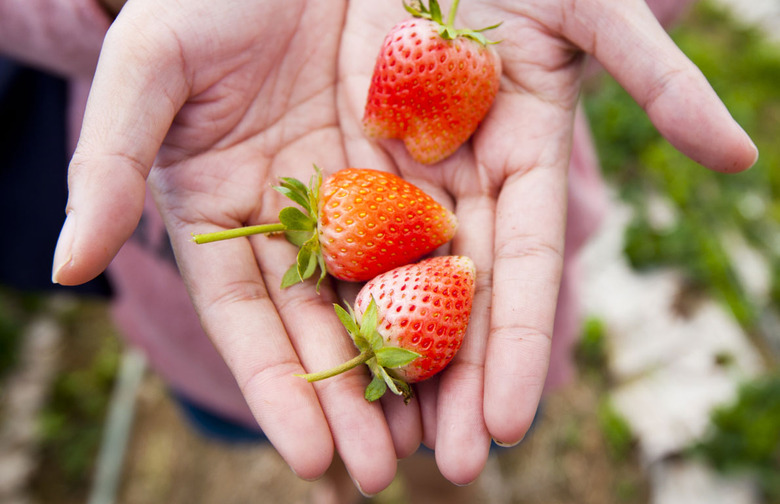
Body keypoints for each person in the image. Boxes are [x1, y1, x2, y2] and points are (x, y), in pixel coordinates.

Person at [1, 0, 758, 500]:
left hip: (489, 229)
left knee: (452, 438)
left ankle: (427, 487)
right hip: (191, 280)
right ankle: (335, 483)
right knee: (299, 430)